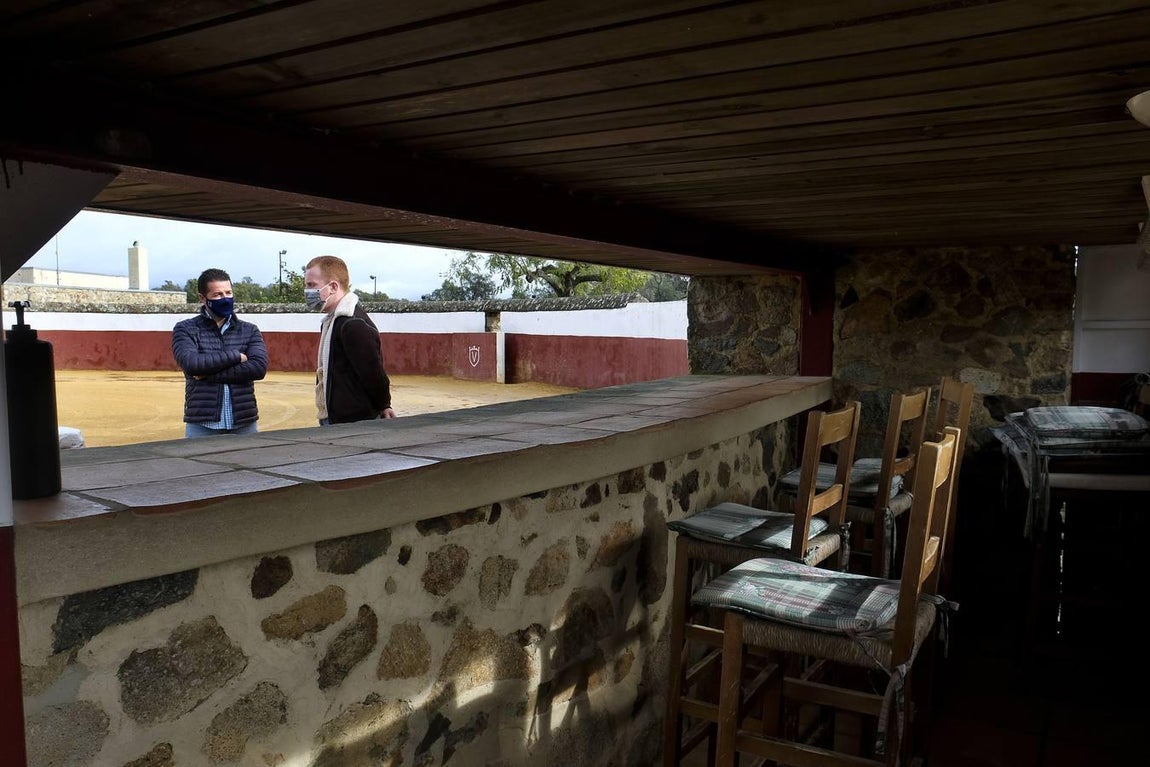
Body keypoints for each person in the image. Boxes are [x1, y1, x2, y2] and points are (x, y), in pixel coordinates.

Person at [171, 268, 268, 437]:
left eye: (228, 293)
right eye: (217, 295)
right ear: (202, 298)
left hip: (244, 421)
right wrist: (236, 356)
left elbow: (258, 368)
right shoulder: (186, 329)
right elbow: (192, 365)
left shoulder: (249, 329)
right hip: (203, 423)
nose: (225, 298)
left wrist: (205, 374)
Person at [304, 255, 396, 424]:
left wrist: (384, 404)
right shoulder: (333, 321)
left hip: (354, 421)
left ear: (333, 287)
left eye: (311, 285)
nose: (307, 291)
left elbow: (373, 374)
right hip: (337, 417)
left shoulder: (352, 324)